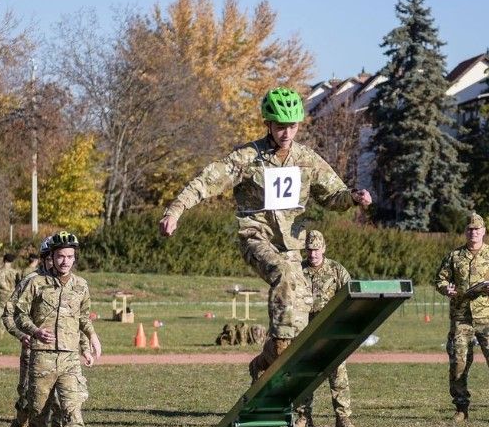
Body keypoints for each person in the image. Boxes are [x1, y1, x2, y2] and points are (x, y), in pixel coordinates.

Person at [159, 87, 371, 379]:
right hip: (256, 238)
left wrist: (353, 198)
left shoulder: (307, 159)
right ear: (268, 124)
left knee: (300, 327)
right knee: (283, 274)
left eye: (292, 126)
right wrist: (175, 210)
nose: (286, 133)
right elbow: (206, 181)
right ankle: (279, 349)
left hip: (292, 247)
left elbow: (333, 195)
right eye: (281, 126)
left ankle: (265, 363)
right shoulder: (248, 157)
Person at [13, 231, 101, 427]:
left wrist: (92, 338)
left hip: (70, 359)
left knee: (73, 409)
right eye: (60, 256)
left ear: (75, 259)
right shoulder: (35, 282)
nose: (65, 261)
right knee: (39, 414)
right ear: (51, 257)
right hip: (41, 358)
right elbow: (18, 314)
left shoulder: (81, 285)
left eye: (70, 257)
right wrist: (34, 331)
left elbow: (83, 317)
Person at [435, 213, 489, 422]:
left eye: (477, 229)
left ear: (484, 231)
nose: (474, 233)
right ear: (465, 232)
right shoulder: (455, 256)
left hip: (487, 318)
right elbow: (440, 280)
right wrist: (446, 289)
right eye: (470, 229)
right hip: (461, 318)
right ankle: (461, 408)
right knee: (458, 363)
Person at [2, 237, 71, 427]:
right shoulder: (30, 281)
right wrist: (22, 334)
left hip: (60, 354)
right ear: (46, 258)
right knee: (31, 398)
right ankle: (22, 422)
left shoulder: (67, 283)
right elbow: (9, 314)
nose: (59, 261)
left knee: (60, 403)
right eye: (54, 256)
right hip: (33, 351)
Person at [295, 230, 356, 427]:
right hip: (305, 331)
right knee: (304, 374)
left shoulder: (337, 270)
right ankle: (304, 418)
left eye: (316, 250)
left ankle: (343, 419)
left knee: (337, 373)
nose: (313, 254)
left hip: (331, 331)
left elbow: (351, 296)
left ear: (324, 248)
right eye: (309, 250)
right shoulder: (297, 270)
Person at [0, 253, 19, 338]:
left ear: (4, 260)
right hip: (12, 295)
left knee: (1, 313)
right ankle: (15, 333)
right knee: (13, 314)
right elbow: (19, 284)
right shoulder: (15, 272)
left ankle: (0, 334)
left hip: (2, 295)